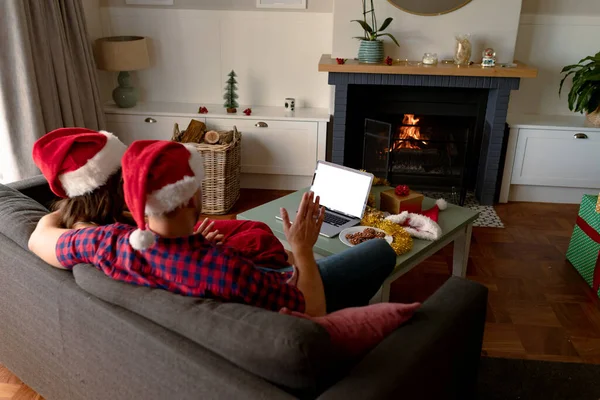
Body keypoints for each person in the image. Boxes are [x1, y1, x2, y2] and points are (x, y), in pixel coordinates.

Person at [29, 140, 396, 315]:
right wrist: (301, 250)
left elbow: (38, 239)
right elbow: (312, 314)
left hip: (183, 248)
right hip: (290, 285)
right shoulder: (225, 269)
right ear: (190, 199)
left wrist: (65, 215)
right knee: (380, 251)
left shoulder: (105, 243)